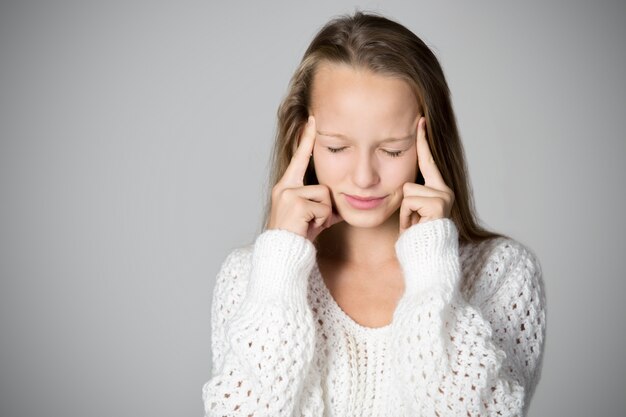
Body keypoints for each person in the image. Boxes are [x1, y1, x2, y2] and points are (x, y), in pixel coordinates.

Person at [202, 10, 546, 417]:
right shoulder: (249, 277)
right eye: (337, 147)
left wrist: (432, 268)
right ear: (303, 141)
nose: (364, 177)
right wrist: (278, 266)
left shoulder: (501, 272)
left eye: (392, 150)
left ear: (429, 143)